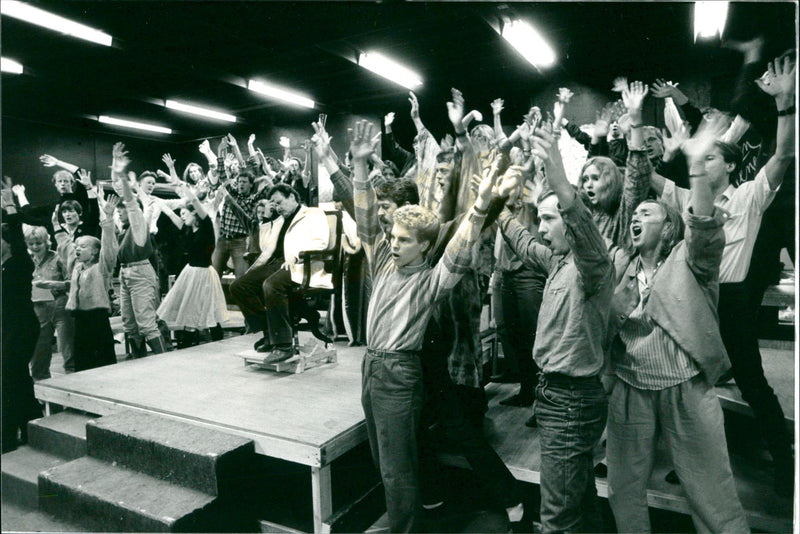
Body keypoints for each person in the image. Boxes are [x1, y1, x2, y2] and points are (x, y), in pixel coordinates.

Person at [649, 54, 796, 494]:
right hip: (694, 302)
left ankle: (786, 463)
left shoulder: (751, 196)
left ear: (730, 166)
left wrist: (786, 103)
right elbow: (644, 179)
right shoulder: (689, 200)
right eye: (701, 159)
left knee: (751, 382)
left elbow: (784, 153)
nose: (703, 164)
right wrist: (639, 125)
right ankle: (691, 462)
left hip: (731, 303)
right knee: (687, 388)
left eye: (711, 158)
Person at [352, 117, 497, 533]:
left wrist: (482, 203)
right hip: (371, 366)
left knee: (398, 468)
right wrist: (360, 166)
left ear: (423, 246)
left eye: (402, 239)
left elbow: (462, 246)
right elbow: (364, 217)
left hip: (399, 372)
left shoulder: (431, 281)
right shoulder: (381, 260)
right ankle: (401, 521)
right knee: (383, 459)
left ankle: (403, 528)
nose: (392, 242)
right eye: (392, 236)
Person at [605, 119, 750, 533]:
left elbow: (704, 226)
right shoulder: (623, 267)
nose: (636, 216)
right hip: (631, 389)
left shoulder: (688, 260)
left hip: (685, 388)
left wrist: (697, 166)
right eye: (634, 214)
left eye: (646, 212)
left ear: (668, 226)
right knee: (623, 490)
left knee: (711, 494)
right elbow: (629, 190)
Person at [496, 120, 613, 533]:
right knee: (576, 493)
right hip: (555, 395)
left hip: (571, 399)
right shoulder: (557, 261)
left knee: (555, 517)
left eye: (548, 219)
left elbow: (581, 222)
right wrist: (498, 206)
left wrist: (558, 175)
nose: (541, 228)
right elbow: (524, 243)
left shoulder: (592, 267)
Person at [228, 184, 327, 356]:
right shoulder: (280, 219)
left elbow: (321, 241)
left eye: (280, 202)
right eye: (275, 204)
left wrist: (296, 255)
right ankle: (270, 333)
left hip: (302, 265)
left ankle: (283, 345)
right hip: (278, 263)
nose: (278, 207)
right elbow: (265, 247)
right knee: (238, 286)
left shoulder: (313, 214)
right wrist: (267, 218)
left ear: (292, 197)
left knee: (271, 285)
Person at [110, 143, 169, 357]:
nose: (119, 211)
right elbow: (118, 192)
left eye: (121, 209)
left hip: (140, 273)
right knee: (129, 324)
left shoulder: (138, 224)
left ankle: (163, 362)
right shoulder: (122, 229)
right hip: (126, 273)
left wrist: (119, 169)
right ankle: (138, 362)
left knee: (146, 323)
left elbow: (128, 198)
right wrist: (116, 168)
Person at [156, 184, 228, 348]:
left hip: (204, 273)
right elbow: (169, 213)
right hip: (191, 271)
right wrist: (155, 201)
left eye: (185, 213)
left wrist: (181, 185)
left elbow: (194, 201)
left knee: (205, 305)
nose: (181, 216)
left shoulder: (207, 227)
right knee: (192, 305)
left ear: (195, 213)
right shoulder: (188, 230)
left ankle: (212, 336)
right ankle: (189, 339)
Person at [56, 189, 120, 372]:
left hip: (97, 317)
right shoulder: (77, 267)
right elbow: (65, 247)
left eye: (82, 247)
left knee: (101, 359)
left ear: (94, 251)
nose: (77, 250)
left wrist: (107, 217)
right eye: (77, 246)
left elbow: (109, 244)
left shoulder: (102, 266)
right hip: (80, 317)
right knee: (83, 359)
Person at [1, 190, 43, 453]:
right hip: (7, 329)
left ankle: (7, 437)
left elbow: (17, 236)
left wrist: (10, 206)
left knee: (8, 377)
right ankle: (31, 425)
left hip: (23, 327)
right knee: (17, 377)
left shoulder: (19, 262)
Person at [24, 224, 73, 380]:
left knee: (68, 351)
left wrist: (55, 284)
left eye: (39, 243)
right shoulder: (26, 262)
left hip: (60, 305)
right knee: (38, 354)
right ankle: (42, 397)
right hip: (38, 308)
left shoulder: (58, 258)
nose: (35, 247)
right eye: (31, 244)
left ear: (46, 242)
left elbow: (72, 282)